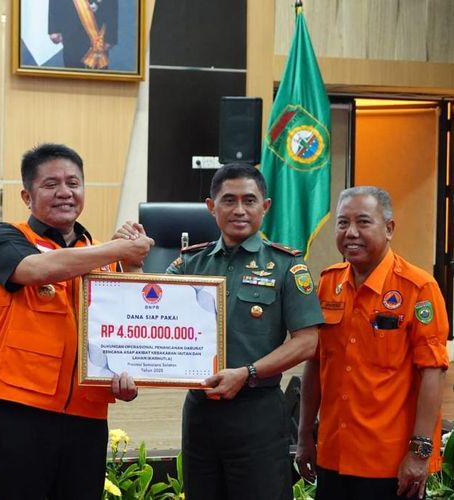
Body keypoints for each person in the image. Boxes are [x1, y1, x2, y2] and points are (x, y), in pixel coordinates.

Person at [0, 143, 154, 499]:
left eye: (73, 183)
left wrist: (128, 377)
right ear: (27, 196)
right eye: (51, 184)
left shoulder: (103, 259)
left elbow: (131, 329)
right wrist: (119, 250)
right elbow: (37, 270)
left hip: (87, 418)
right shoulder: (6, 237)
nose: (64, 192)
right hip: (20, 414)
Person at [165, 163, 324, 500]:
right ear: (211, 207)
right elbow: (149, 315)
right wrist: (133, 264)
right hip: (200, 412)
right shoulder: (188, 264)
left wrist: (247, 373)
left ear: (265, 207)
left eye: (249, 200)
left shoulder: (287, 267)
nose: (239, 210)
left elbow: (308, 342)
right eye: (228, 200)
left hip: (258, 411)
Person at [296, 186, 449, 500]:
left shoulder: (418, 288)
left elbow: (433, 372)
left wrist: (420, 454)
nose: (351, 233)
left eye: (363, 222)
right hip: (333, 455)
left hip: (389, 464)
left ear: (389, 228)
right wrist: (304, 436)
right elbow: (315, 362)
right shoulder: (327, 283)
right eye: (342, 223)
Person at [48, 0, 118, 69]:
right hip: (69, 24)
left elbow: (111, 4)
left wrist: (111, 36)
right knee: (73, 70)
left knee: (98, 74)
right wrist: (53, 28)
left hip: (97, 25)